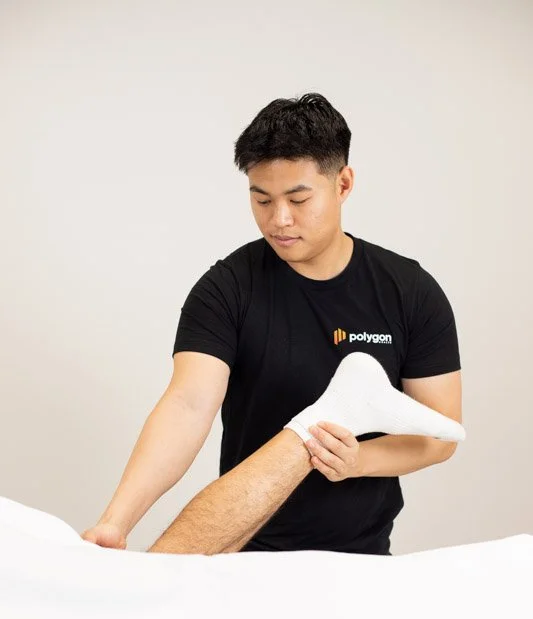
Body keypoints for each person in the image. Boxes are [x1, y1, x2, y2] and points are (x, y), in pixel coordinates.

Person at [81, 93, 462, 555]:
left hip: (361, 558)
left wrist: (358, 460)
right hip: (243, 545)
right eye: (261, 200)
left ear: (343, 184)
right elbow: (187, 405)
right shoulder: (227, 289)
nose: (279, 220)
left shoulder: (409, 291)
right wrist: (115, 521)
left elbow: (441, 435)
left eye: (298, 199)